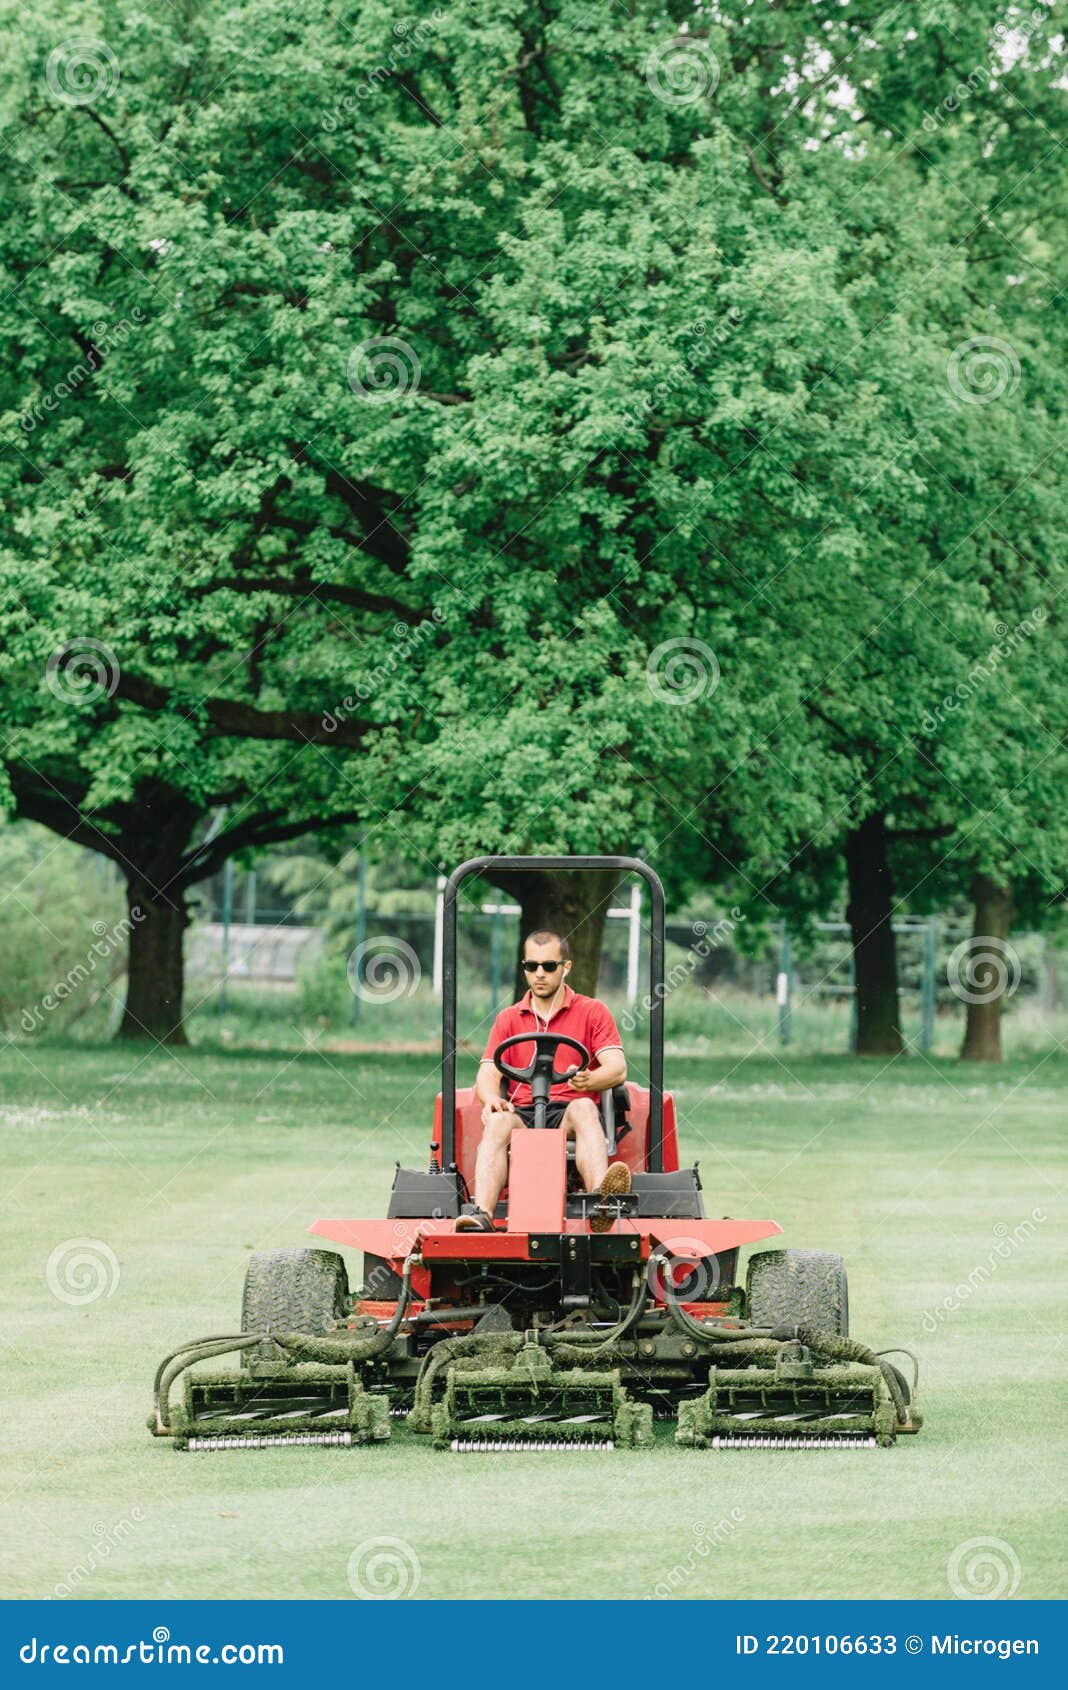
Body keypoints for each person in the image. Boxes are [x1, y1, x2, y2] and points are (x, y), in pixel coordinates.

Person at [455, 928, 631, 1233]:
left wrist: (590, 1079)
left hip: (568, 1112)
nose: (539, 974)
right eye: (531, 966)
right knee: (497, 1122)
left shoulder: (592, 1011)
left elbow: (617, 1068)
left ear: (566, 967)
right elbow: (487, 1073)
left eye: (549, 966)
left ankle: (601, 1204)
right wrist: (491, 1099)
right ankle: (482, 1213)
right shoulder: (508, 1018)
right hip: (521, 1114)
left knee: (585, 1110)